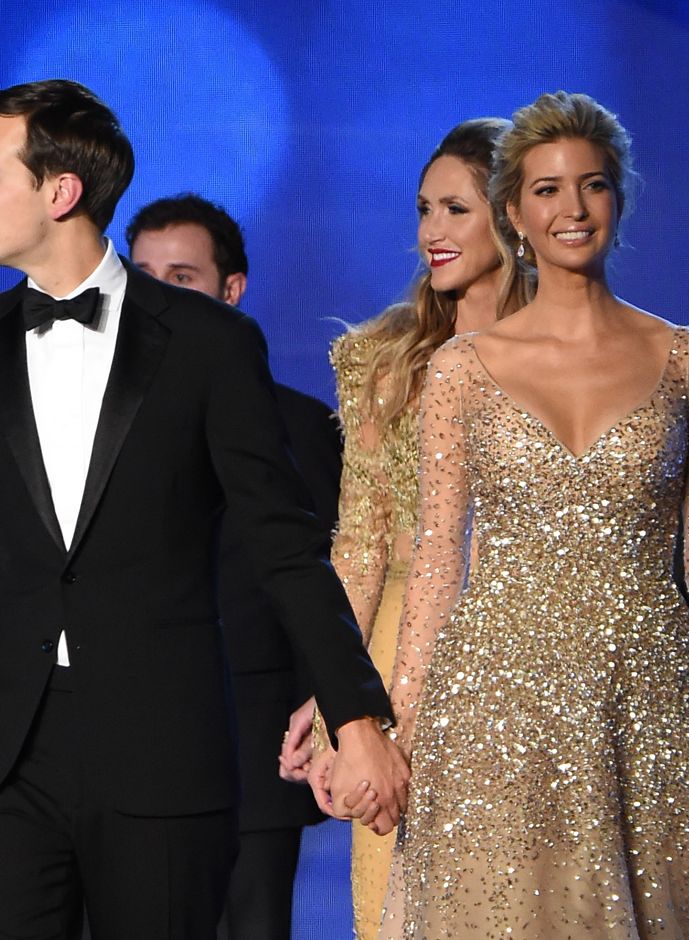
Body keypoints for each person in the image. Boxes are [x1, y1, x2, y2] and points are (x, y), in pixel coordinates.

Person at [0, 79, 406, 939]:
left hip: (161, 746)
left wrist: (355, 714)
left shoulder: (209, 343)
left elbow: (284, 542)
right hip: (12, 752)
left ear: (59, 191)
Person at [378, 91, 689, 938]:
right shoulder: (460, 371)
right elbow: (439, 564)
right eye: (548, 190)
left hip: (654, 705)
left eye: (592, 186)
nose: (572, 209)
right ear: (515, 215)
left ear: (618, 200)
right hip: (496, 708)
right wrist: (402, 731)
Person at [282, 118, 533, 938]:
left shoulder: (579, 355)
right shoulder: (384, 362)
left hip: (535, 658)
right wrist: (332, 704)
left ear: (512, 215)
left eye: (455, 209)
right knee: (399, 900)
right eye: (425, 208)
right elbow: (356, 545)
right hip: (395, 662)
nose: (432, 230)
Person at [125, 193, 340, 940]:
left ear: (230, 289)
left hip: (252, 746)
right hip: (118, 741)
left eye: (179, 277)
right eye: (142, 276)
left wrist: (324, 707)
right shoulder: (86, 417)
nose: (155, 296)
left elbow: (323, 574)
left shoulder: (301, 426)